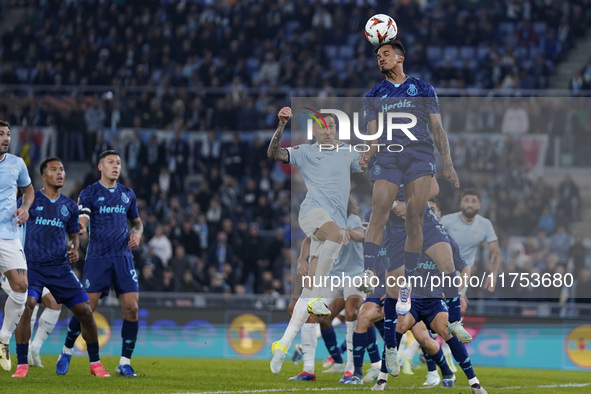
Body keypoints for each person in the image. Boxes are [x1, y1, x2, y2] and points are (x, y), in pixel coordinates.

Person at [358, 40, 459, 317]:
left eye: (386, 54)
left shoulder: (424, 88)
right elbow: (373, 133)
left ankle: (407, 286)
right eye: (378, 56)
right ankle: (367, 271)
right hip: (389, 153)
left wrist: (447, 163)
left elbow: (437, 128)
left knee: (415, 215)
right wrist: (368, 154)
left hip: (419, 153)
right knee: (379, 207)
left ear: (400, 58)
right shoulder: (373, 95)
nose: (381, 59)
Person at [267, 107, 362, 374]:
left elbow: (366, 164)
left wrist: (377, 148)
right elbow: (274, 153)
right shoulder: (306, 151)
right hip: (311, 214)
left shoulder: (347, 151)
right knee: (335, 235)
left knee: (307, 295)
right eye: (322, 126)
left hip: (333, 226)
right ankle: (319, 298)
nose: (327, 130)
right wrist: (282, 126)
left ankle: (282, 346)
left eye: (331, 126)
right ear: (315, 131)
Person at [11, 157, 110, 378]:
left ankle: (95, 363)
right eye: (54, 170)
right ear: (44, 176)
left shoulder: (69, 206)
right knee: (28, 305)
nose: (60, 173)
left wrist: (74, 248)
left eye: (63, 169)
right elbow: (13, 224)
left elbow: (73, 234)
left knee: (85, 310)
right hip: (32, 266)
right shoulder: (30, 200)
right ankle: (22, 364)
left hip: (60, 268)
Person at [55, 150, 143, 377]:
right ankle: (66, 350)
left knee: (132, 309)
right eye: (111, 162)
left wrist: (137, 234)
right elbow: (82, 217)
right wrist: (80, 228)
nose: (116, 166)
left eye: (119, 163)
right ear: (100, 167)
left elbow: (137, 223)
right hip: (98, 258)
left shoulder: (127, 194)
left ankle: (124, 362)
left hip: (123, 257)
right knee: (86, 309)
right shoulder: (90, 192)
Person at [395, 202, 488, 394]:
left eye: (432, 212)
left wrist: (455, 289)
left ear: (438, 216)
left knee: (445, 335)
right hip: (412, 300)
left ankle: (472, 382)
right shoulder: (406, 237)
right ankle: (385, 375)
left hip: (434, 301)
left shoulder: (446, 242)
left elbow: (464, 269)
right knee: (422, 339)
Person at [0, 120, 35, 371]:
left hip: (8, 234)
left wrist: (25, 207)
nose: (6, 138)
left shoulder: (17, 163)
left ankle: (3, 339)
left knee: (22, 288)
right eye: (1, 134)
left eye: (8, 134)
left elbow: (29, 190)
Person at [0, 275, 61, 368]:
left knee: (54, 303)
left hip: (35, 272)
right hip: (12, 271)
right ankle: (26, 350)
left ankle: (35, 348)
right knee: (30, 300)